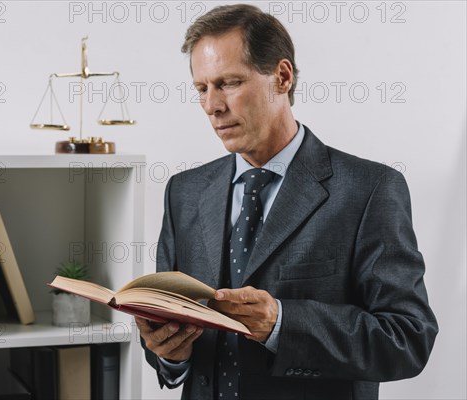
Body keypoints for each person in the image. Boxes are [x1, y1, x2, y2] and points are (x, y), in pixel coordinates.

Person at [135, 4, 438, 400]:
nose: (212, 106)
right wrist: (167, 353)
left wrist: (282, 323)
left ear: (281, 76)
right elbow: (170, 322)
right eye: (202, 89)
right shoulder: (184, 191)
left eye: (228, 83)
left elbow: (407, 339)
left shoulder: (370, 189)